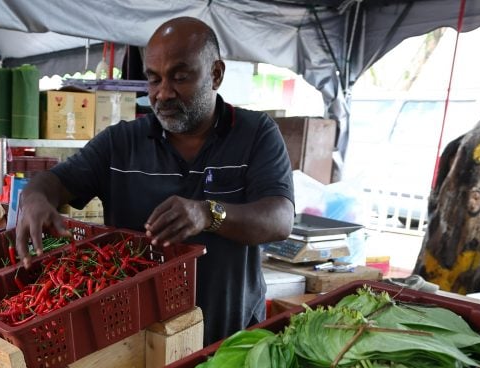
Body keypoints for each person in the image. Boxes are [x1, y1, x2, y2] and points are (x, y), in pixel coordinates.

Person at [15, 17, 295, 345]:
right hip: (134, 339)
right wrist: (35, 197)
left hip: (229, 338)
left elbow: (280, 219)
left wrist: (209, 214)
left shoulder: (255, 133)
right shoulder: (120, 144)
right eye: (154, 79)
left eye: (179, 77)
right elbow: (53, 182)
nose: (163, 93)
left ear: (216, 74)